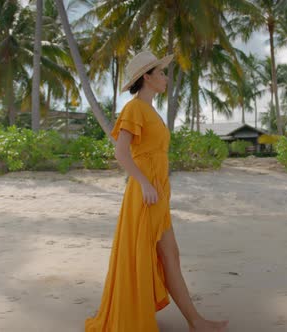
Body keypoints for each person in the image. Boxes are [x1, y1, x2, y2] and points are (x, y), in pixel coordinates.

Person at [85, 51, 229, 332]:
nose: (166, 77)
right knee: (166, 253)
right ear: (147, 77)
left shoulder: (151, 110)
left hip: (157, 191)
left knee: (170, 255)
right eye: (161, 73)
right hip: (146, 193)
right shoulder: (134, 108)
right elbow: (121, 152)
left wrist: (153, 185)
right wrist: (144, 183)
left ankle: (195, 321)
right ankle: (196, 322)